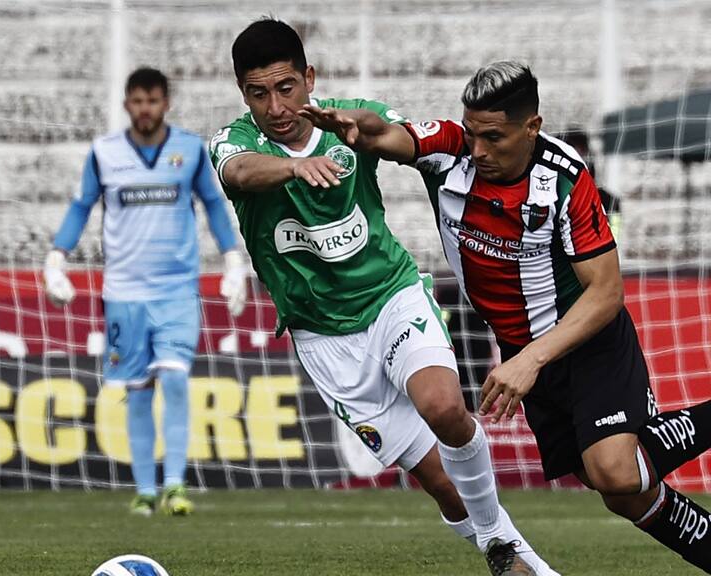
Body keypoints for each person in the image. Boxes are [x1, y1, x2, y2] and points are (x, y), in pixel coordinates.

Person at [299, 60, 711, 573]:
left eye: (493, 137)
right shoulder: (450, 151)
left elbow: (606, 293)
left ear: (531, 127)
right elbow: (388, 132)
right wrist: (357, 126)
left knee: (617, 473)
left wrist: (530, 360)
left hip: (586, 343)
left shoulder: (564, 178)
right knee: (622, 493)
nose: (477, 149)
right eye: (471, 133)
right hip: (526, 356)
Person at [209, 19, 559, 576]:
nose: (275, 106)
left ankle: (501, 545)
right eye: (258, 93)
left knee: (444, 407)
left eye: (286, 88)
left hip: (390, 297)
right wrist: (294, 166)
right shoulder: (235, 143)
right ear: (242, 93)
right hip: (323, 338)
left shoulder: (343, 118)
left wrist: (360, 127)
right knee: (443, 487)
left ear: (309, 78)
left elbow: (383, 127)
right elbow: (239, 172)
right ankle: (521, 563)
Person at [43, 67, 247, 517]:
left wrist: (233, 258)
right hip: (124, 293)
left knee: (173, 377)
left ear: (165, 102)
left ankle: (175, 485)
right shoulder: (104, 153)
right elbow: (81, 206)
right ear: (126, 104)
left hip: (176, 289)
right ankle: (144, 491)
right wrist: (57, 256)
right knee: (137, 388)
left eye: (153, 101)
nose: (145, 109)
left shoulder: (189, 150)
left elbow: (213, 204)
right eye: (137, 101)